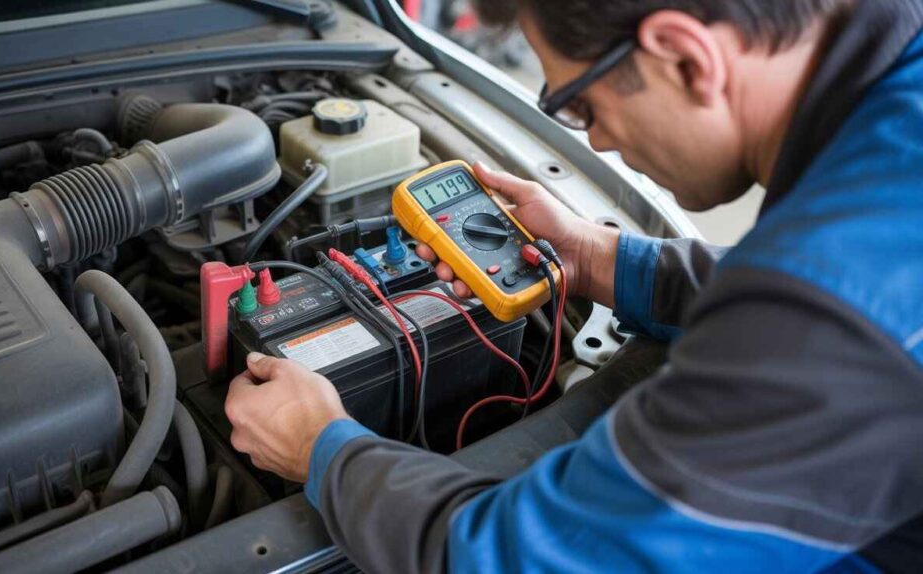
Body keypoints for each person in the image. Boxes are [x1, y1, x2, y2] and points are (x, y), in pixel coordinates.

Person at [224, 0, 923, 571]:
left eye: (580, 105)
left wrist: (322, 449)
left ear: (685, 56)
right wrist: (593, 258)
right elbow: (804, 293)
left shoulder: (831, 308)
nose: (596, 143)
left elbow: (530, 561)